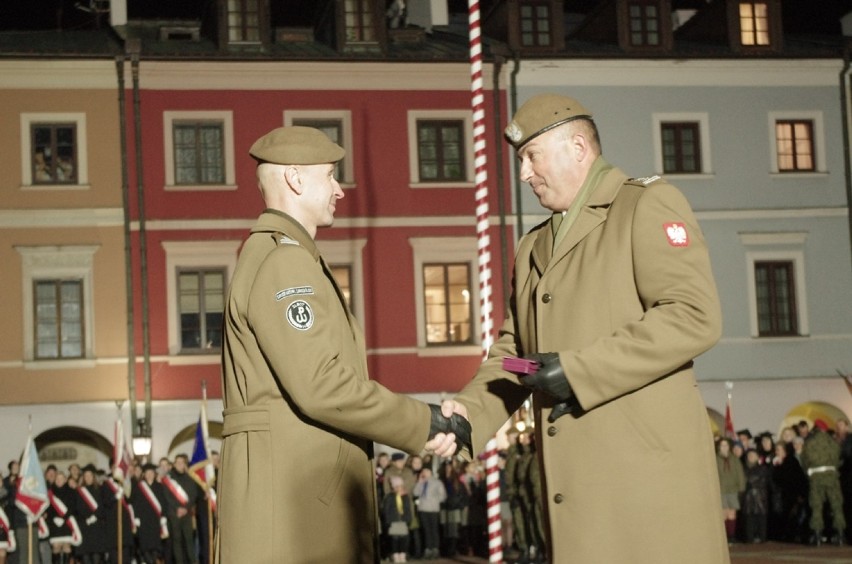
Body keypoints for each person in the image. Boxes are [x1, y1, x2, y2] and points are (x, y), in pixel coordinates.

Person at [431, 93, 728, 563]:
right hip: (577, 491)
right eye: (521, 160)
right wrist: (471, 411)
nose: (524, 173)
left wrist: (579, 371)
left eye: (531, 156)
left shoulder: (644, 205)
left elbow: (693, 315)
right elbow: (517, 352)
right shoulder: (533, 246)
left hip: (645, 483)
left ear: (577, 147)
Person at [215, 126, 470, 563]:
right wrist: (424, 422)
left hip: (293, 501)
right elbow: (322, 386)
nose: (340, 190)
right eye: (330, 176)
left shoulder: (283, 256)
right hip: (296, 513)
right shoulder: (285, 263)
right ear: (295, 179)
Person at [801, 419, 845, 546]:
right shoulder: (833, 442)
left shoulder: (810, 443)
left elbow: (805, 461)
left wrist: (809, 472)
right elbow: (837, 460)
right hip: (832, 476)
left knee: (816, 506)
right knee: (836, 506)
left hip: (816, 477)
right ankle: (840, 534)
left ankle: (817, 535)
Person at [162, 454, 199, 564]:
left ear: (185, 464)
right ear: (174, 464)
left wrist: (185, 508)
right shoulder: (169, 478)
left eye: (181, 462)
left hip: (186, 514)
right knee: (176, 541)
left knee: (189, 540)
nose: (179, 464)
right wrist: (177, 508)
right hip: (174, 513)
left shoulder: (189, 478)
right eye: (177, 462)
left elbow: (193, 495)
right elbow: (167, 495)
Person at [131, 463, 169, 564]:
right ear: (144, 474)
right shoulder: (139, 487)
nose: (149, 475)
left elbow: (164, 502)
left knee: (155, 548)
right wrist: (136, 518)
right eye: (147, 473)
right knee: (145, 548)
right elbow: (135, 504)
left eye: (151, 473)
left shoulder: (160, 487)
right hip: (143, 522)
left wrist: (164, 516)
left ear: (154, 474)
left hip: (156, 521)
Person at [412, 466, 446, 560]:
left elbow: (442, 496)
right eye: (423, 471)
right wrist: (419, 482)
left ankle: (435, 549)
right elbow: (415, 493)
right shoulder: (421, 482)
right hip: (422, 508)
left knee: (434, 529)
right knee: (426, 530)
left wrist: (434, 500)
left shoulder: (437, 482)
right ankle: (428, 549)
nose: (424, 473)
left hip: (433, 509)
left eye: (426, 471)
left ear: (430, 472)